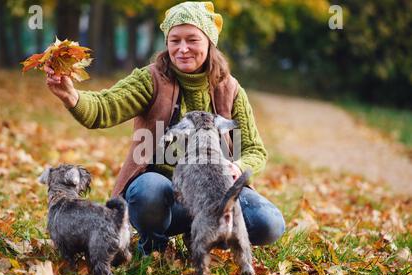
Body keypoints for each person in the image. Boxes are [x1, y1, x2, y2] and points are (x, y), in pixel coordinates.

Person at [45, 1, 285, 255]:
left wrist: (236, 166)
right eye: (175, 40)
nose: (182, 49)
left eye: (192, 40)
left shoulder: (229, 89)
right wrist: (72, 97)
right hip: (164, 195)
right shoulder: (151, 79)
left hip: (213, 196)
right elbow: (104, 107)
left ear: (209, 42)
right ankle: (154, 244)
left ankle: (202, 236)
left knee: (267, 222)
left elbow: (255, 150)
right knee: (148, 192)